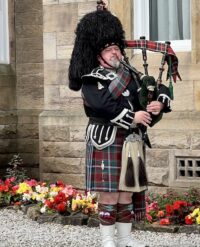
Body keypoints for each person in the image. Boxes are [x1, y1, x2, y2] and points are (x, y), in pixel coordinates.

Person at [68, 4, 172, 247]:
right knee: (110, 194)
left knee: (127, 192)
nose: (116, 53)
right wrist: (132, 117)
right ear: (98, 55)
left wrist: (158, 104)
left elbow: (150, 95)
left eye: (117, 48)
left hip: (130, 140)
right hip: (106, 139)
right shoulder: (92, 80)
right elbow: (102, 107)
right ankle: (107, 242)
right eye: (110, 49)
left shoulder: (133, 76)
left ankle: (125, 239)